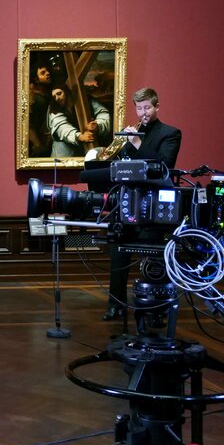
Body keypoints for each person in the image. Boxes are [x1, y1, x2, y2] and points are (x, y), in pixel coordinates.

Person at [103, 87, 182, 320]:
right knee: (118, 254)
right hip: (128, 201)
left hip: (155, 205)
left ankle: (155, 311)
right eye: (139, 108)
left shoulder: (170, 133)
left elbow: (163, 166)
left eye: (147, 107)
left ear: (157, 107)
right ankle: (115, 305)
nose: (143, 113)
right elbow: (122, 165)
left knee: (153, 259)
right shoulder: (132, 133)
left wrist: (137, 143)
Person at [47, 84, 111, 157]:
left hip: (86, 147)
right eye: (54, 97)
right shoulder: (53, 108)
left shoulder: (84, 99)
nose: (57, 98)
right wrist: (80, 137)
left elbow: (103, 113)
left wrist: (97, 125)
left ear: (67, 91)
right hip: (64, 150)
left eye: (59, 93)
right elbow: (61, 126)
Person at [28, 64, 52, 157]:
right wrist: (37, 144)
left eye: (47, 71)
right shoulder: (31, 95)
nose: (48, 73)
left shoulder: (47, 92)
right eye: (43, 73)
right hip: (36, 140)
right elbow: (28, 122)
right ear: (36, 79)